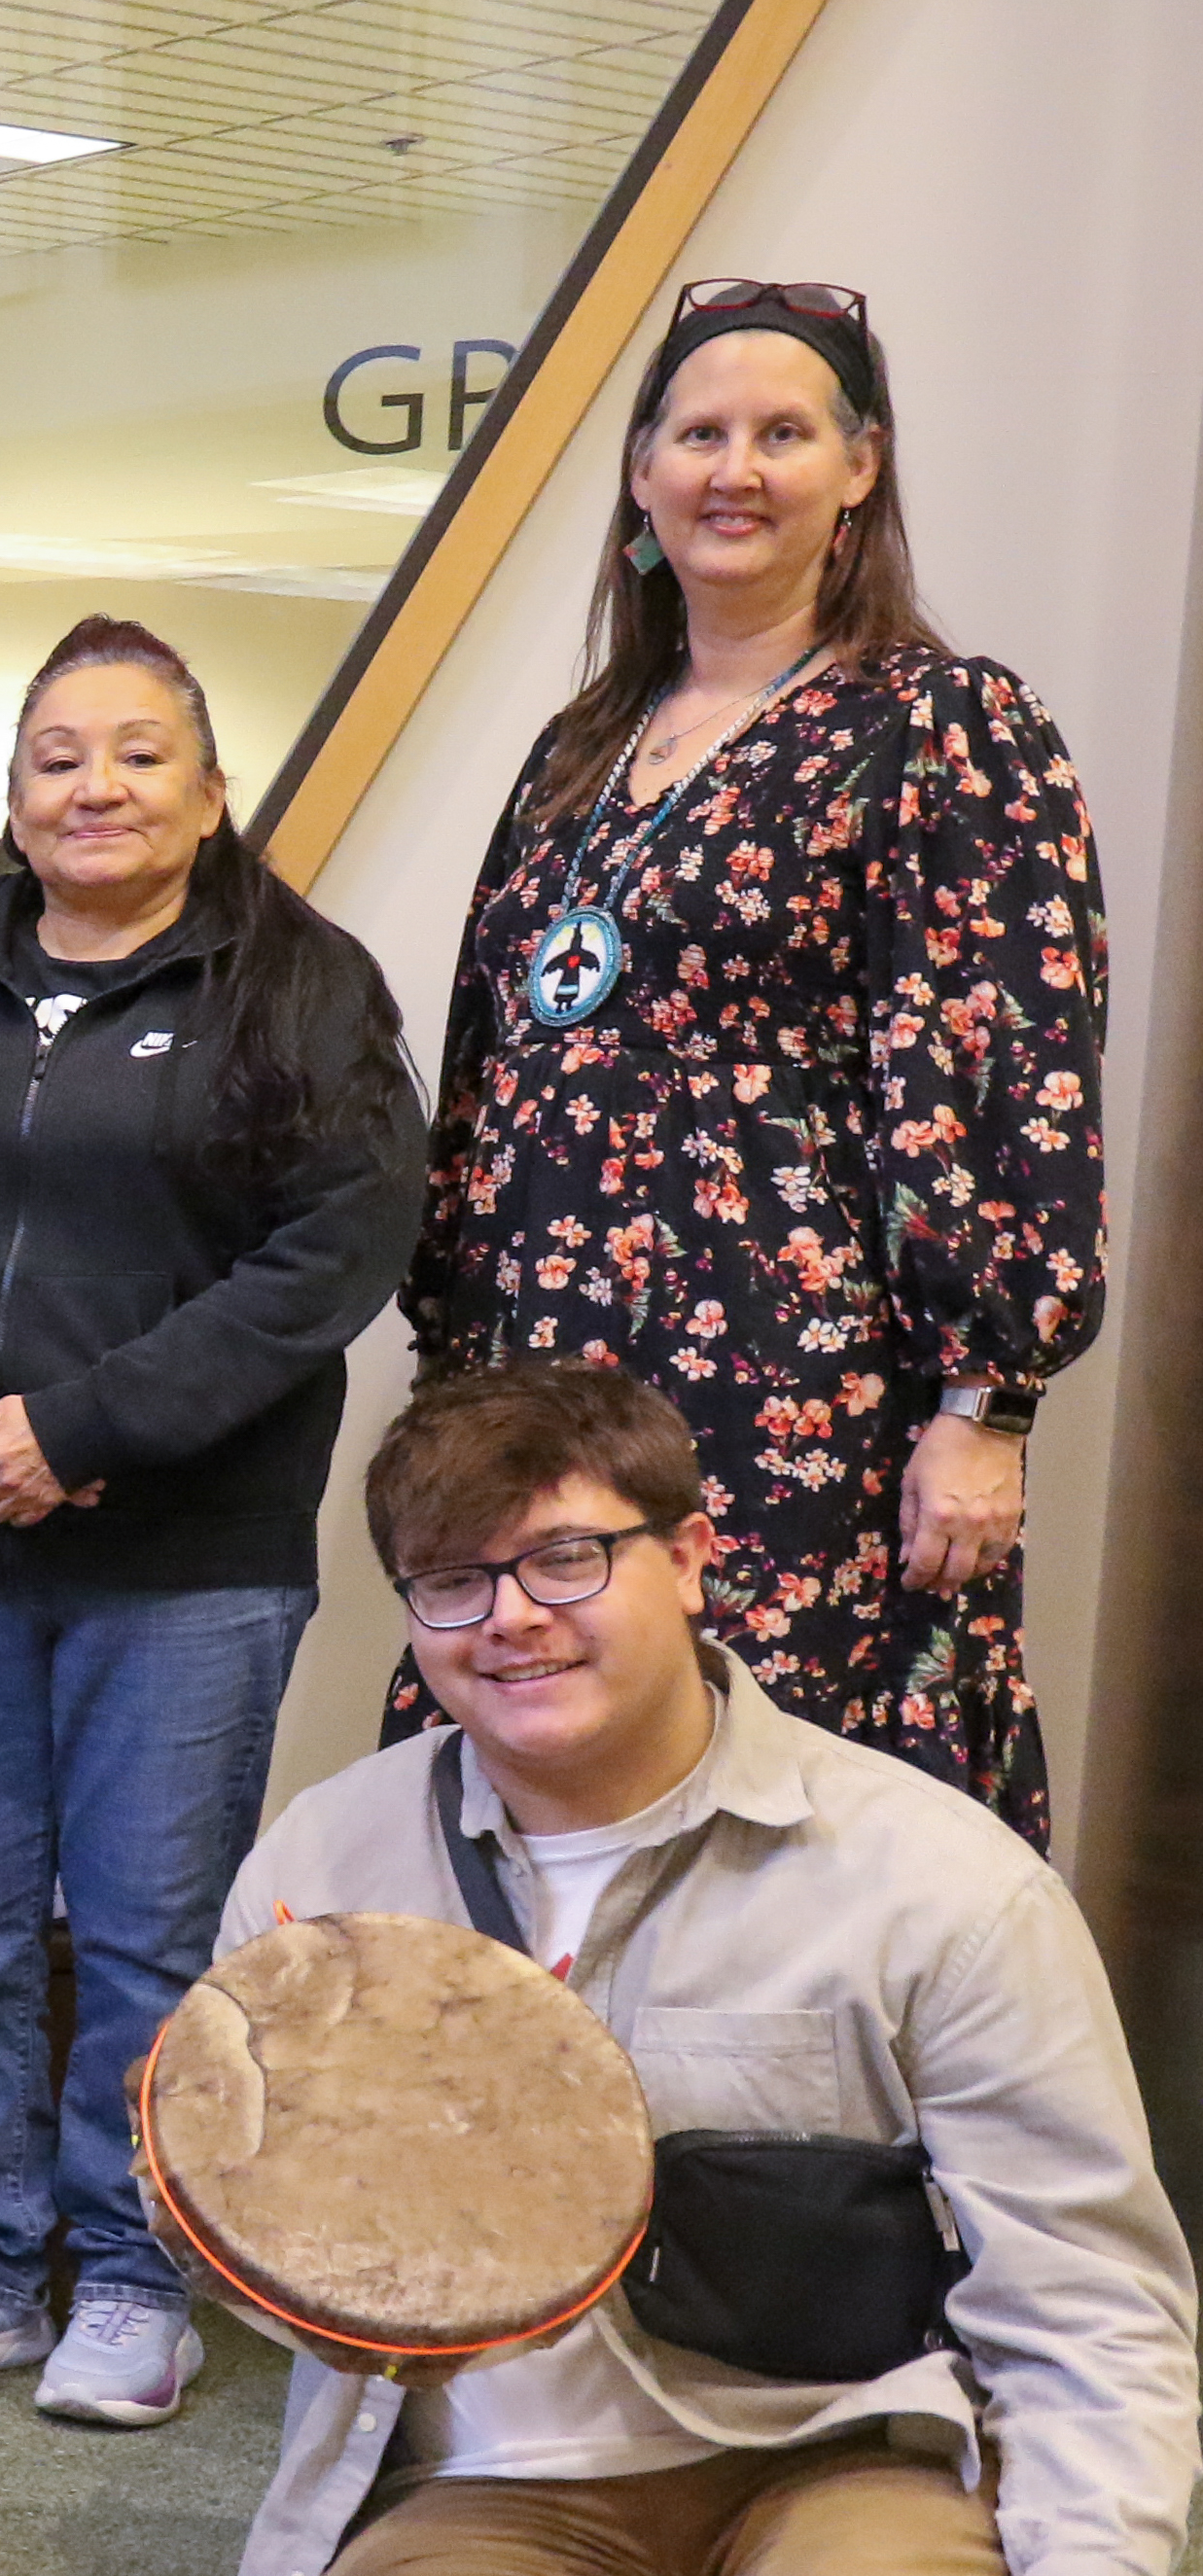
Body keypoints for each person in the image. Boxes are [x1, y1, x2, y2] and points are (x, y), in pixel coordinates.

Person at [217, 1363, 1197, 2576]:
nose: (512, 1615)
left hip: (832, 2456)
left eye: (570, 1555)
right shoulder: (322, 1868)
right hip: (506, 2488)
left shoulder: (937, 1880)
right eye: (455, 1579)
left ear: (696, 1559)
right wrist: (230, 2191)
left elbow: (1095, 2297)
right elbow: (305, 2292)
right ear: (412, 1619)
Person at [0, 616, 415, 2424]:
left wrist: (86, 1424)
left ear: (210, 790)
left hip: (186, 1557)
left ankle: (138, 2278)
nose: (95, 783)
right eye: (57, 752)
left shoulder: (300, 985)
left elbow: (337, 1247)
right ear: (17, 792)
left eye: (140, 751)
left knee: (143, 1931)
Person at [407, 279, 1103, 1844]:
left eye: (780, 434)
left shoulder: (942, 726)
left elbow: (1011, 1073)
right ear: (643, 474)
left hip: (798, 1388)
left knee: (776, 1825)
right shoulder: (588, 740)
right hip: (549, 1373)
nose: (735, 469)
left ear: (858, 467)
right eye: (697, 432)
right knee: (548, 1802)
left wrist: (984, 1404)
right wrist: (456, 1346)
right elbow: (485, 1056)